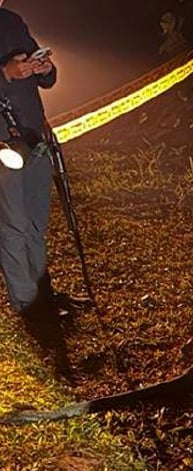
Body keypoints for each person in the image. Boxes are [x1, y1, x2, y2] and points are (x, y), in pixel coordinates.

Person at [0, 1, 59, 319]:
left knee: (37, 221)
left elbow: (47, 80)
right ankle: (25, 301)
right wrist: (5, 74)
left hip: (35, 135)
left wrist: (45, 69)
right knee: (14, 222)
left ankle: (42, 294)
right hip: (3, 144)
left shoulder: (12, 21)